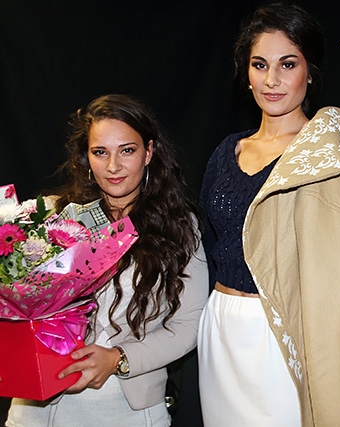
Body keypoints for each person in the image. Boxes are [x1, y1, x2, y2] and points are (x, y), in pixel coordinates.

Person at [197, 2, 340, 426]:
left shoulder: (331, 154)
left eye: (288, 64)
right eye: (259, 65)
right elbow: (212, 244)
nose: (272, 80)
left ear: (310, 72)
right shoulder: (226, 152)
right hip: (222, 327)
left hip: (292, 331)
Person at [5, 94, 209, 427]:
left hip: (128, 408)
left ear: (149, 152)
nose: (113, 167)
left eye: (126, 150)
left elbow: (189, 323)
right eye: (100, 152)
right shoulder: (53, 215)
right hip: (40, 408)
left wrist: (119, 359)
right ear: (86, 157)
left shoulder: (178, 226)